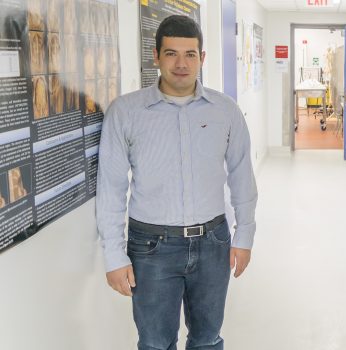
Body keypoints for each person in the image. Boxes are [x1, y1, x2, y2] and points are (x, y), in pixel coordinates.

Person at [96, 15, 257, 350]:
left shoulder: (225, 111)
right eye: (171, 54)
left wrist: (244, 235)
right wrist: (113, 254)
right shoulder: (126, 112)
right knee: (155, 343)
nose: (181, 64)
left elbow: (242, 174)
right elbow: (111, 187)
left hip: (213, 241)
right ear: (155, 56)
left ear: (202, 57)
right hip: (151, 246)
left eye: (190, 54)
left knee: (207, 339)